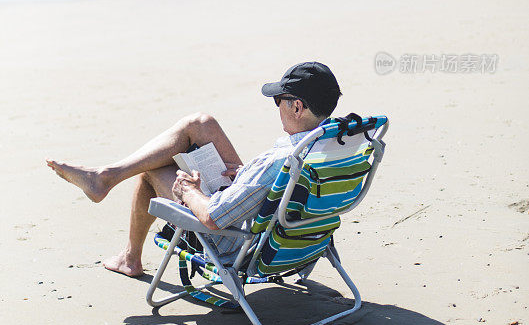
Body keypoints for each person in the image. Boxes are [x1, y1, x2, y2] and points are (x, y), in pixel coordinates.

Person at [46, 62, 342, 277]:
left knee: (153, 170)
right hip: (284, 222)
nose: (276, 105)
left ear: (298, 107)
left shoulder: (283, 159)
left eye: (280, 100)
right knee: (200, 125)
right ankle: (106, 178)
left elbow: (213, 218)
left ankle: (129, 256)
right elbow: (272, 185)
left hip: (238, 238)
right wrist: (246, 177)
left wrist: (189, 191)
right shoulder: (337, 144)